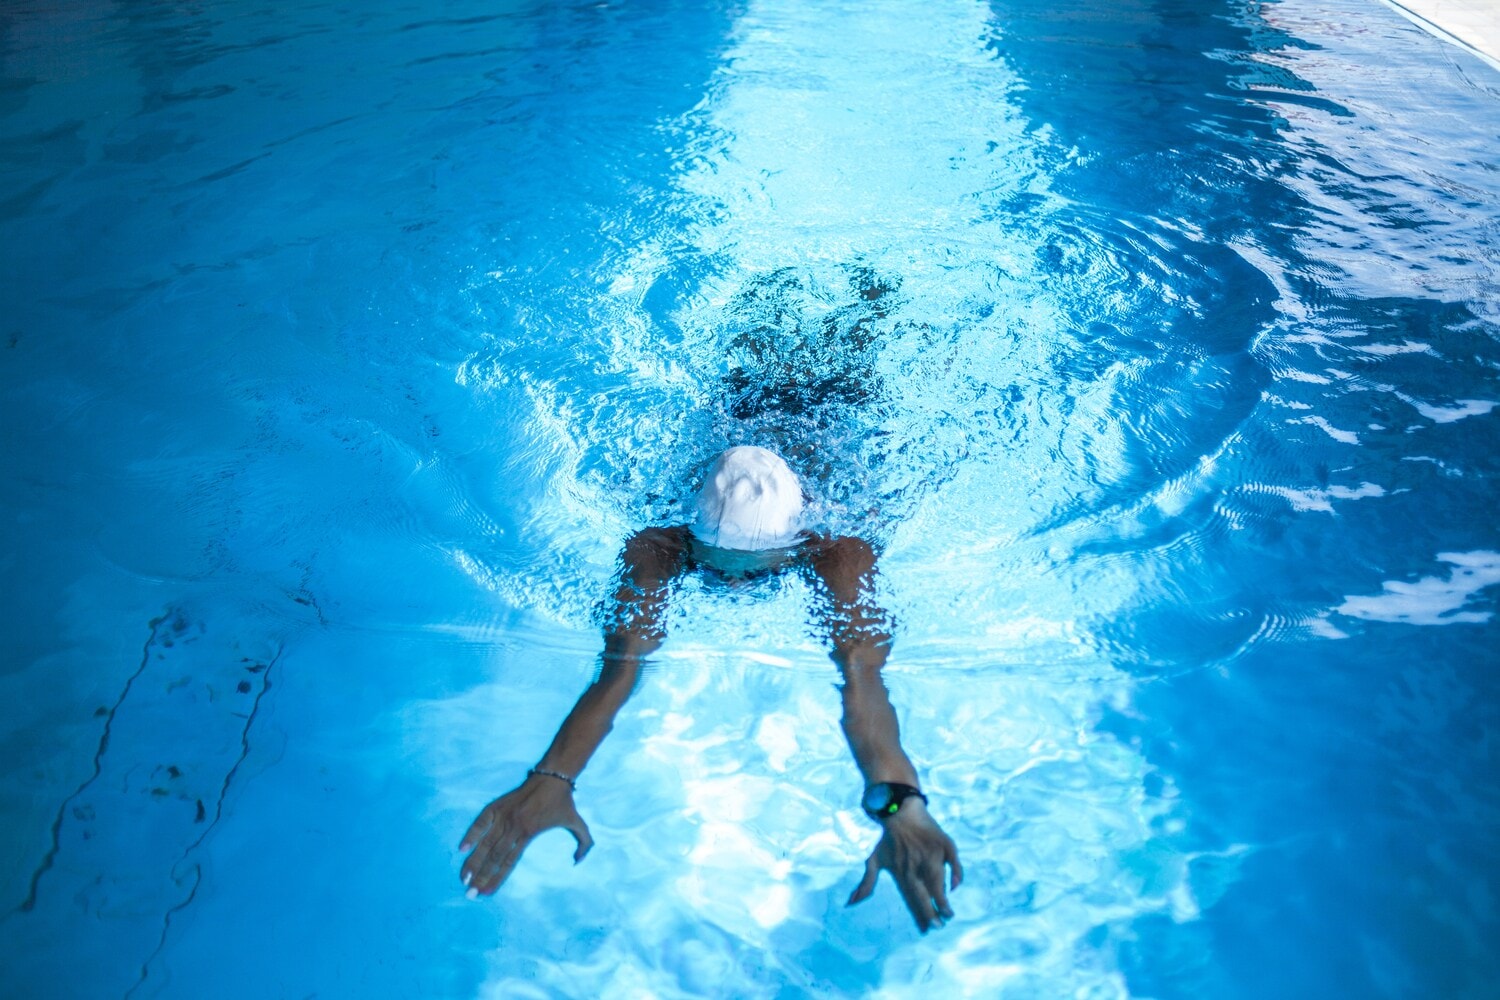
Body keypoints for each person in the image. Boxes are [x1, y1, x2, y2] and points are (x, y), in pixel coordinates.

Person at [457, 447, 961, 933]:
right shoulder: (657, 547)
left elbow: (862, 681)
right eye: (717, 568)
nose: (736, 587)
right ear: (688, 538)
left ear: (798, 541)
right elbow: (621, 667)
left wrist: (902, 805)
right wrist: (554, 776)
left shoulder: (838, 550)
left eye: (755, 570)